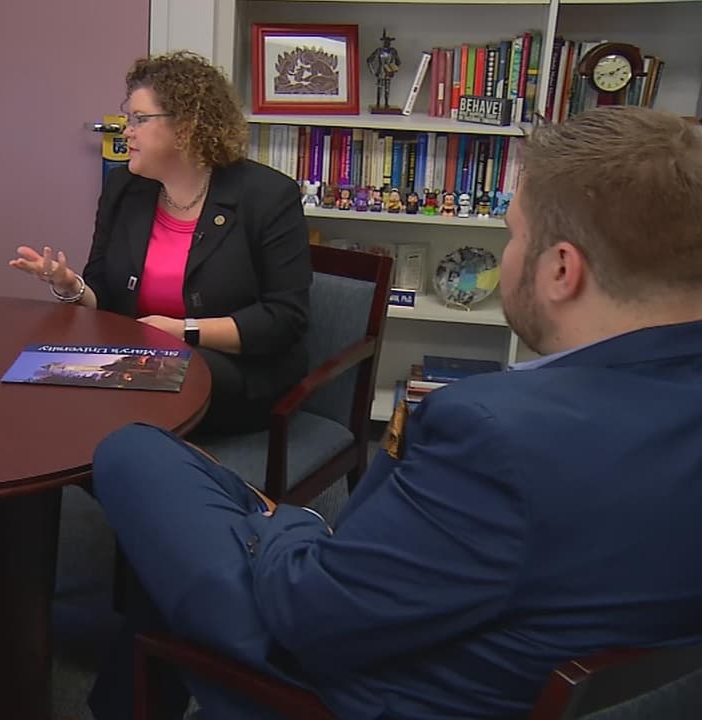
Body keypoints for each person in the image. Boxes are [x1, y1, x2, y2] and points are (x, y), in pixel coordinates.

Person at [88, 105, 702, 719]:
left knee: (132, 453)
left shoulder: (494, 435)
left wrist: (287, 525)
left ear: (562, 270)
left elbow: (309, 611)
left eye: (513, 234)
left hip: (358, 683)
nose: (508, 253)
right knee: (195, 493)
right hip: (491, 640)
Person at [10, 51, 311, 436]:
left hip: (236, 370)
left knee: (118, 404)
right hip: (138, 364)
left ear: (185, 127)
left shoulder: (267, 196)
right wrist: (72, 289)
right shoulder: (124, 189)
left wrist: (184, 330)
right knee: (40, 378)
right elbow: (105, 295)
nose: (126, 131)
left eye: (139, 119)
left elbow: (286, 319)